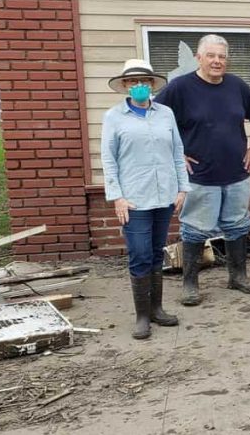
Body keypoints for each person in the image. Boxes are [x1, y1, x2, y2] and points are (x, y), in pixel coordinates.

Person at [154, 34, 250, 306]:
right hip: (200, 176)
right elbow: (155, 120)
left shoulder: (236, 86)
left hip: (237, 173)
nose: (217, 61)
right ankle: (190, 284)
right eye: (211, 56)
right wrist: (176, 155)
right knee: (194, 230)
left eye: (222, 57)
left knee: (237, 225)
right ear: (199, 58)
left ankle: (238, 276)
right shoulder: (180, 88)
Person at [101, 59, 190, 339]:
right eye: (133, 82)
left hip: (164, 195)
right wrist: (117, 197)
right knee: (139, 254)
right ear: (125, 86)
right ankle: (141, 316)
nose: (139, 86)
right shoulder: (114, 117)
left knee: (154, 253)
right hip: (134, 199)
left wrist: (182, 188)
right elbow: (109, 159)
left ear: (152, 85)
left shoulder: (165, 114)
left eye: (144, 81)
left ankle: (157, 309)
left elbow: (177, 152)